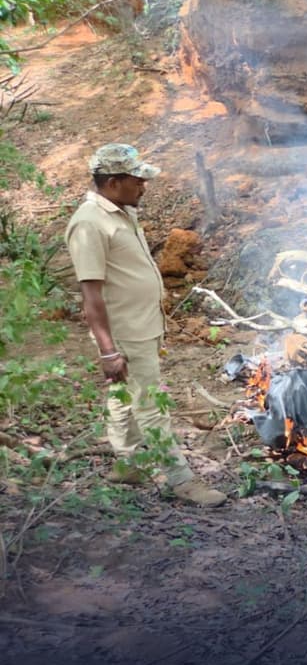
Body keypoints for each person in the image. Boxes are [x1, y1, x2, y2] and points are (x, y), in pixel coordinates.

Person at [64, 144, 226, 507]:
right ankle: (181, 480)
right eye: (137, 180)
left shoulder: (121, 211)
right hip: (125, 331)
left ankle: (129, 463)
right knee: (150, 403)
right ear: (113, 182)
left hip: (144, 324)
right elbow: (90, 295)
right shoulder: (90, 223)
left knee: (124, 396)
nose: (144, 186)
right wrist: (108, 350)